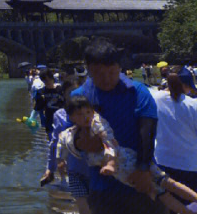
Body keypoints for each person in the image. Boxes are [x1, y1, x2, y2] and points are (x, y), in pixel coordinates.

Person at [56, 94, 197, 213]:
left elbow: (108, 140)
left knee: (167, 182)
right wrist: (60, 161)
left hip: (129, 159)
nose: (85, 117)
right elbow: (60, 145)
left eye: (88, 112)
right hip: (123, 173)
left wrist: (110, 162)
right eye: (80, 114)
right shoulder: (69, 134)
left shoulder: (97, 123)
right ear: (72, 117)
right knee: (160, 193)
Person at [76, 39, 163, 214]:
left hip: (141, 178)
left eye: (112, 72)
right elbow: (77, 141)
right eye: (99, 74)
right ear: (89, 70)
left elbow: (147, 131)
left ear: (119, 67)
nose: (107, 79)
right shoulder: (79, 97)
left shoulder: (138, 92)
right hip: (102, 186)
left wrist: (143, 168)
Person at [41, 75, 91, 214]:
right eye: (70, 93)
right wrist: (50, 168)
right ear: (63, 94)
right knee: (83, 207)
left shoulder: (93, 114)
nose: (74, 96)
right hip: (74, 168)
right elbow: (55, 142)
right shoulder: (60, 115)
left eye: (77, 92)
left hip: (94, 167)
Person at [152, 67, 197, 192]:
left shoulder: (154, 99)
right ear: (185, 85)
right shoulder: (192, 105)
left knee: (170, 205)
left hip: (162, 161)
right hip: (190, 165)